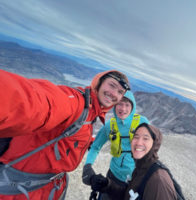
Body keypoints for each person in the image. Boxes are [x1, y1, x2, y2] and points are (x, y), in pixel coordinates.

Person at [0, 69, 130, 200]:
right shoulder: (76, 103)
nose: (114, 94)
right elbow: (34, 102)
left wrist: (92, 141)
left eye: (120, 92)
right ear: (98, 83)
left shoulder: (90, 112)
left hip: (46, 188)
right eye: (112, 85)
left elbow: (74, 136)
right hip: (20, 192)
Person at [82, 90, 149, 200]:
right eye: (119, 104)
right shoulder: (109, 126)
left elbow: (151, 146)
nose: (123, 109)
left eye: (127, 105)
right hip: (113, 176)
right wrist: (87, 166)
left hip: (136, 179)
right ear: (114, 105)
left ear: (133, 107)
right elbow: (95, 147)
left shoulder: (143, 122)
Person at [89, 123, 178, 200]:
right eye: (136, 137)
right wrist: (107, 185)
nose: (139, 142)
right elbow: (128, 195)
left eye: (145, 138)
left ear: (154, 144)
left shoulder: (158, 181)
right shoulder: (141, 168)